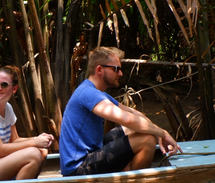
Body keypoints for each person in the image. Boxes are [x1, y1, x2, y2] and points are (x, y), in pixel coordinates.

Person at [59, 46, 181, 176]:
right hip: (78, 168)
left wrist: (157, 133)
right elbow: (127, 119)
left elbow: (133, 114)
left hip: (93, 152)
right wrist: (163, 133)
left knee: (134, 129)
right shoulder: (88, 93)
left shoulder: (97, 92)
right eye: (116, 69)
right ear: (99, 69)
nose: (120, 74)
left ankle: (127, 170)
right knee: (147, 140)